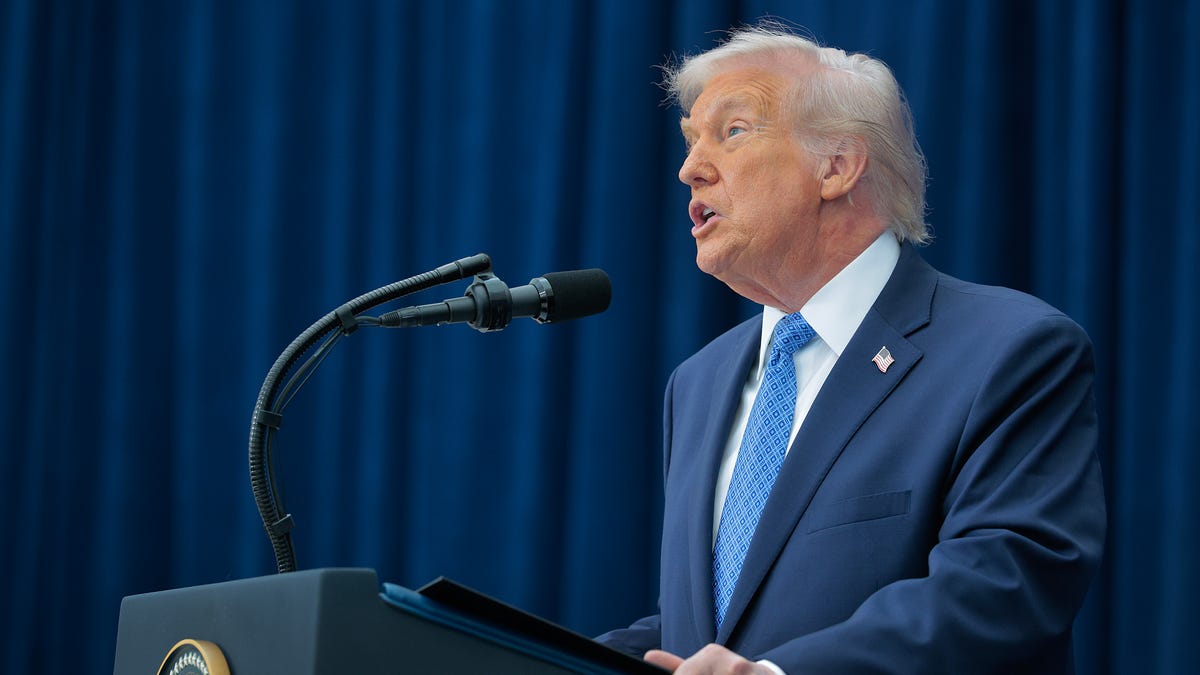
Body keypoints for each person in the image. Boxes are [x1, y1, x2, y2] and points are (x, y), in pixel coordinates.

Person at [597, 24, 1106, 674]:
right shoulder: (699, 382)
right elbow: (720, 621)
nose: (689, 168)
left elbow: (1003, 587)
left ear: (837, 165)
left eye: (732, 131)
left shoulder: (1011, 352)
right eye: (691, 140)